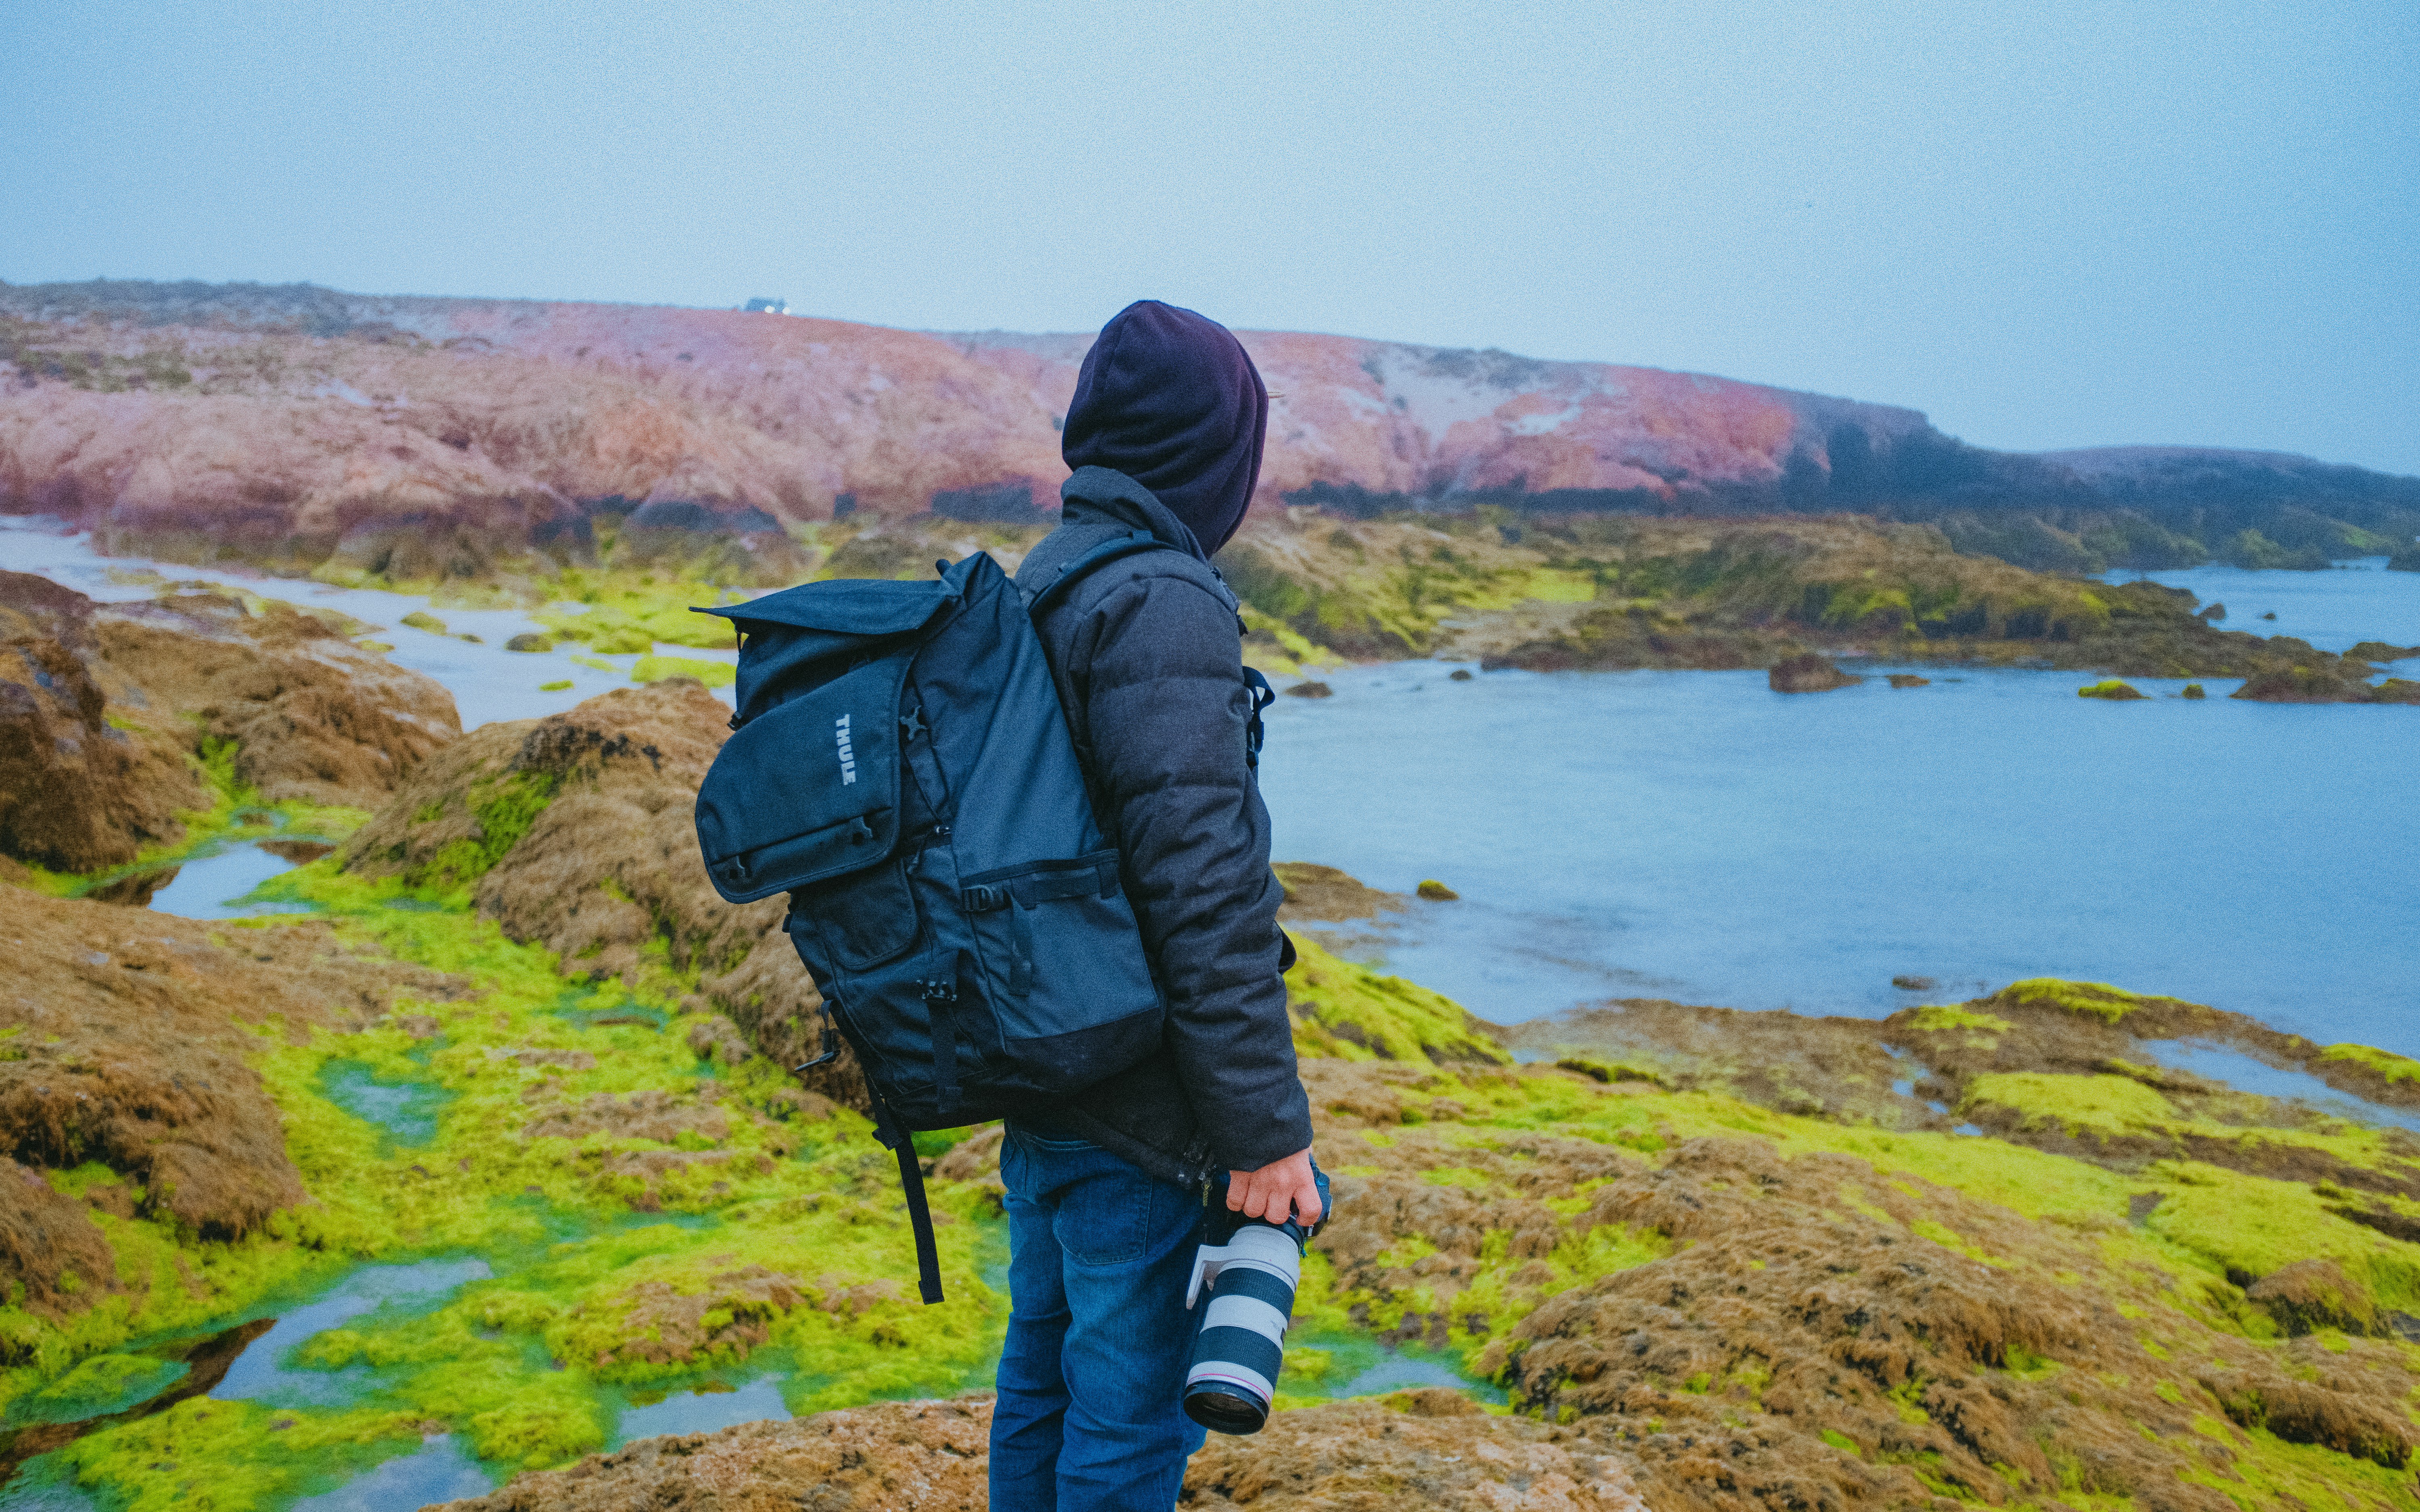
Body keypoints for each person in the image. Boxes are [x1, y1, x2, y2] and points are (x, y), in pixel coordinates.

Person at [990, 300, 1322, 1512]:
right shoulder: (1162, 600)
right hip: (1139, 1107)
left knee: (1044, 1379)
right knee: (1129, 1426)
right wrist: (1266, 1133)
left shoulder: (1053, 572)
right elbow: (1203, 894)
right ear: (1214, 451)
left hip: (1050, 1070)